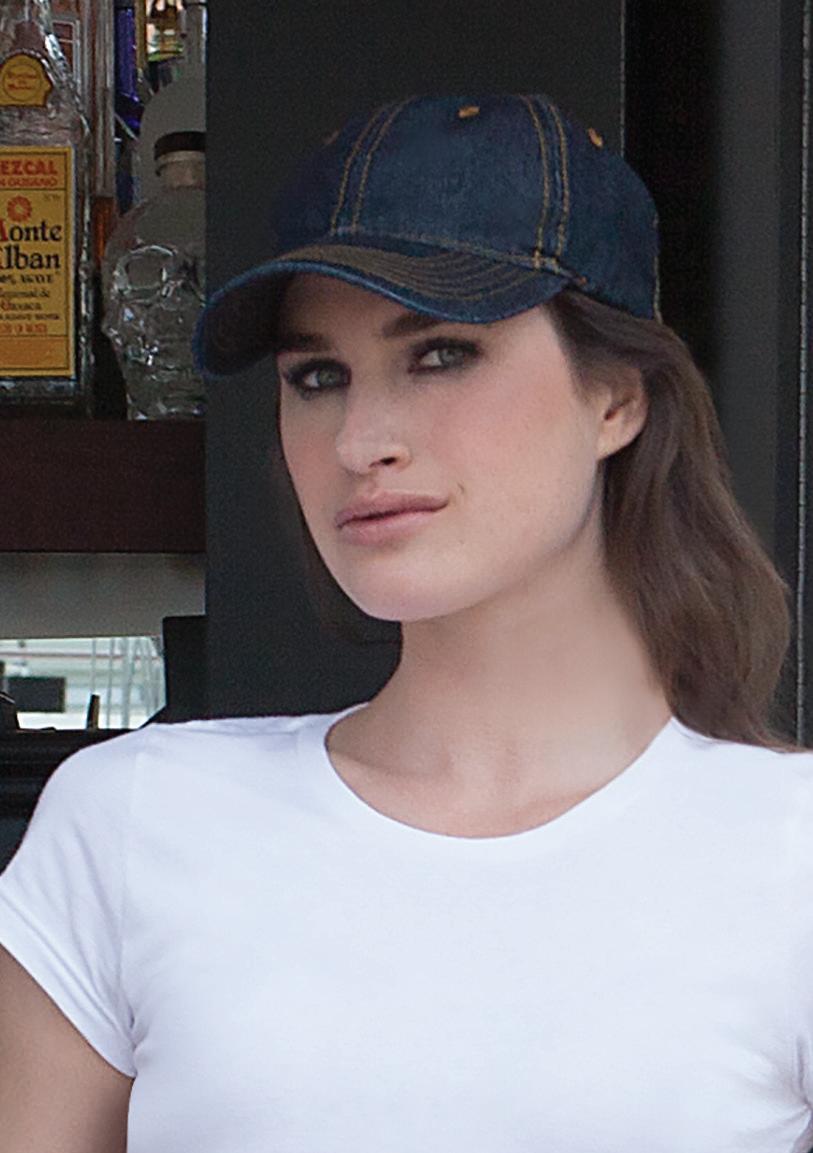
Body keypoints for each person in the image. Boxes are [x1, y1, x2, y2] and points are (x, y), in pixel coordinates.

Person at [1, 92, 812, 1153]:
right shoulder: (134, 825)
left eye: (440, 355)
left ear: (615, 395)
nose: (360, 440)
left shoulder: (784, 855)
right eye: (316, 377)